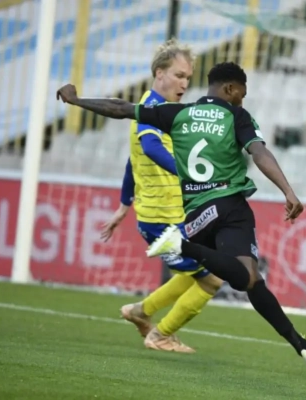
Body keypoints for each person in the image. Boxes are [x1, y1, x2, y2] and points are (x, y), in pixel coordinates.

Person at [56, 62, 306, 370]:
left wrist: (77, 101)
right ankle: (180, 251)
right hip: (229, 206)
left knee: (246, 279)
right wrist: (288, 191)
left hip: (195, 218)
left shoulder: (177, 114)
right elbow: (259, 153)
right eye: (241, 94)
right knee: (246, 280)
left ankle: (302, 346)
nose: (242, 100)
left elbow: (121, 108)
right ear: (230, 89)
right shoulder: (237, 117)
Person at [99, 39, 223, 353]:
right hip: (160, 221)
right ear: (159, 73)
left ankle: (141, 312)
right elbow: (151, 148)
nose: (185, 84)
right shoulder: (150, 109)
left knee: (196, 274)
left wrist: (123, 205)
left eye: (188, 77)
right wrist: (187, 173)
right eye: (179, 75)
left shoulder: (159, 110)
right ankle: (161, 335)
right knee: (212, 279)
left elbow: (133, 162)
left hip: (174, 216)